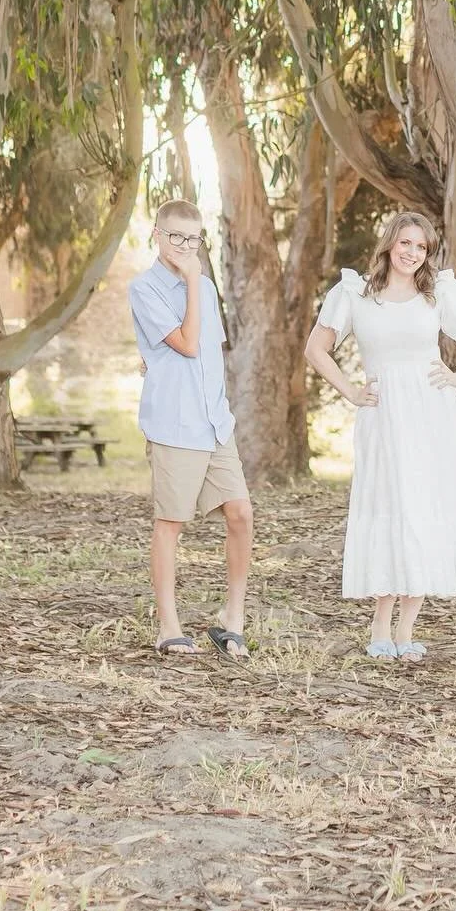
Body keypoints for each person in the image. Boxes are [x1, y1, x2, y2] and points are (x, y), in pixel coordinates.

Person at [304, 211, 456, 661]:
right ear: (389, 244)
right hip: (383, 415)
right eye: (406, 243)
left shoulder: (438, 293)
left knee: (422, 509)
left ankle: (408, 627)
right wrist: (351, 391)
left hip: (432, 413)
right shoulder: (356, 294)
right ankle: (380, 623)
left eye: (421, 246)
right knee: (389, 507)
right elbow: (315, 349)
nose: (413, 253)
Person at [129, 199, 253, 660]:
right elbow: (186, 344)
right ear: (157, 235)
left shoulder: (204, 285)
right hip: (175, 424)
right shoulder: (145, 288)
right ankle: (169, 627)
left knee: (240, 513)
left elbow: (212, 351)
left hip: (214, 421)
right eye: (176, 236)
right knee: (171, 523)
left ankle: (232, 618)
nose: (184, 245)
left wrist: (198, 283)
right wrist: (195, 281)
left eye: (193, 238)